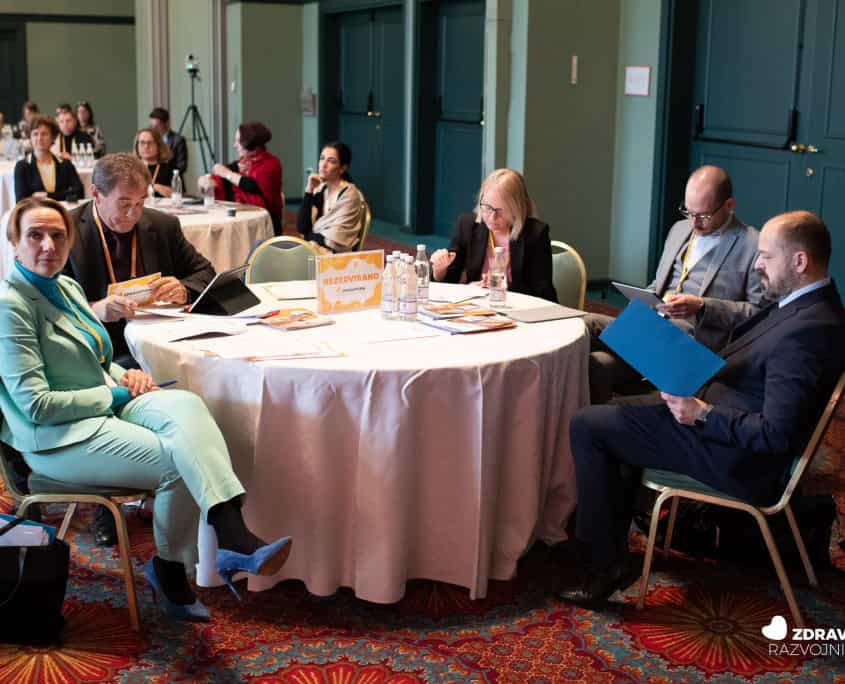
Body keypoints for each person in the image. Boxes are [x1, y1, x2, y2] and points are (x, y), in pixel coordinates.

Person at [0, 197, 294, 621]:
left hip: (102, 405)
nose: (48, 245)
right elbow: (37, 405)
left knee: (188, 405)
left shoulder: (65, 287)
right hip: (56, 437)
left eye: (58, 235)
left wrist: (126, 376)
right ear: (14, 243)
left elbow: (97, 361)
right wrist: (115, 395)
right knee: (178, 461)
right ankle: (172, 571)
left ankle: (232, 536)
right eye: (35, 235)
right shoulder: (11, 305)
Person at [560, 210, 845, 605]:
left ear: (800, 261)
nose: (758, 265)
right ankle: (609, 551)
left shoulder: (811, 330)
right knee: (613, 413)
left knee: (588, 425)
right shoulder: (804, 306)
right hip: (714, 415)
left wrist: (702, 413)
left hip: (736, 455)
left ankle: (598, 562)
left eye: (766, 256)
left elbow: (775, 434)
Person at [587, 165, 763, 403]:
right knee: (592, 345)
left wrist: (702, 306)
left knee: (597, 331)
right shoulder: (679, 229)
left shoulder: (752, 244)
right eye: (688, 212)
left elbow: (758, 314)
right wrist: (643, 297)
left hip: (691, 346)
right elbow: (658, 285)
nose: (694, 223)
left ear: (729, 205)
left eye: (703, 216)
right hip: (653, 330)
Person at [430, 168, 558, 302]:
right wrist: (440, 270)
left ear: (517, 209)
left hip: (520, 308)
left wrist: (499, 287)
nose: (492, 217)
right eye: (487, 207)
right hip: (478, 307)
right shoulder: (468, 226)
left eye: (500, 211)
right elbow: (450, 281)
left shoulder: (535, 233)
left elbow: (542, 292)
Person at [204, 121, 283, 236]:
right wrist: (207, 180)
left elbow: (253, 186)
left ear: (250, 144)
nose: (235, 145)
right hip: (241, 221)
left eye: (238, 141)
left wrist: (227, 173)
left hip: (264, 225)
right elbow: (219, 175)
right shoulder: (243, 162)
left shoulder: (271, 164)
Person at [296, 142, 366, 252]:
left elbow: (334, 240)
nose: (323, 165)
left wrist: (308, 236)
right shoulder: (321, 189)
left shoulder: (350, 195)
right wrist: (309, 190)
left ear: (342, 168)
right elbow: (302, 228)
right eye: (322, 158)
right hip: (316, 248)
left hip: (336, 255)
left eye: (331, 161)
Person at [13, 115, 84, 202]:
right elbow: (21, 201)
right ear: (30, 138)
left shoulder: (65, 164)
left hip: (62, 210)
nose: (39, 138)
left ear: (53, 137)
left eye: (44, 134)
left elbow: (79, 192)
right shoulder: (22, 166)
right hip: (35, 211)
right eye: (35, 134)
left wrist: (49, 196)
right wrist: (63, 195)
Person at [133, 127, 174, 197]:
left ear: (158, 145)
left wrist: (157, 187)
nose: (146, 146)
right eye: (142, 142)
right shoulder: (131, 168)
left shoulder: (170, 168)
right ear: (137, 146)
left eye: (150, 142)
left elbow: (180, 195)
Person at [149, 107, 187, 175]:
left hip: (172, 179)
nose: (153, 129)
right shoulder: (149, 140)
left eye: (157, 126)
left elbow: (182, 166)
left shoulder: (178, 140)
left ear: (166, 123)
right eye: (151, 126)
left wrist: (165, 174)